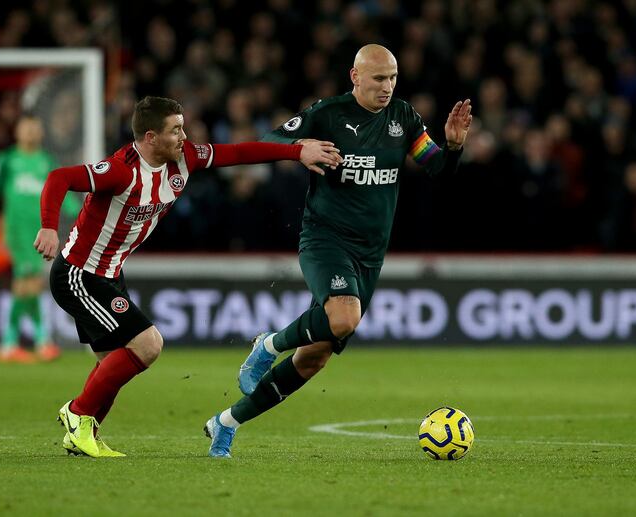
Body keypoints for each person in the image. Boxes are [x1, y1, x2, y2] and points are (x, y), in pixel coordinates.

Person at [34, 96, 341, 458]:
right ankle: (77, 413)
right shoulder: (120, 170)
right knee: (148, 345)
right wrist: (50, 228)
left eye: (183, 126)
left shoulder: (186, 158)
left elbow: (238, 153)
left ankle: (82, 435)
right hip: (79, 274)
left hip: (110, 273)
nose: (184, 136)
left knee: (112, 364)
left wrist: (295, 151)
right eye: (175, 129)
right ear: (150, 137)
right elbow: (59, 178)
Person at [204, 44, 472, 458]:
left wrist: (452, 147)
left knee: (314, 358)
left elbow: (436, 167)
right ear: (355, 77)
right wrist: (300, 149)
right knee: (344, 318)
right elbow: (271, 138)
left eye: (393, 78)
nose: (387, 87)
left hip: (370, 255)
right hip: (326, 239)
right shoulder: (327, 114)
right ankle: (268, 346)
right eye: (379, 78)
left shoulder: (402, 117)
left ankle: (226, 423)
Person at [0, 115, 81, 363]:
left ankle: (18, 342)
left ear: (41, 133)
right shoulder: (7, 160)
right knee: (30, 283)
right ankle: (29, 341)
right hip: (16, 231)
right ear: (17, 132)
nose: (32, 132)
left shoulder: (46, 161)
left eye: (36, 128)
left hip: (40, 230)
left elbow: (59, 191)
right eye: (27, 128)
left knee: (26, 285)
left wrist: (79, 209)